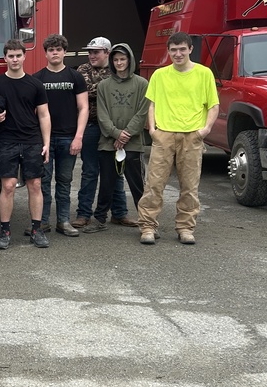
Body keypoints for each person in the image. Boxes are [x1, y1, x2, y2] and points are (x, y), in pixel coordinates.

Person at [137, 32, 219, 245]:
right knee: (154, 183)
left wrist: (205, 130)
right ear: (169, 51)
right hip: (164, 134)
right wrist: (153, 130)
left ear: (190, 49)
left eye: (182, 49)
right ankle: (147, 226)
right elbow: (151, 104)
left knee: (190, 185)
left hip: (192, 135)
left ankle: (185, 228)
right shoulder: (160, 75)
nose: (178, 53)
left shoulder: (204, 74)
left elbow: (213, 105)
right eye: (173, 50)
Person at [0, 39, 51, 249]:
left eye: (18, 55)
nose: (14, 59)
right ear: (5, 58)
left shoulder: (35, 84)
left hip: (31, 140)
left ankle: (37, 229)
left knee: (35, 185)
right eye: (10, 56)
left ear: (24, 56)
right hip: (5, 141)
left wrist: (46, 143)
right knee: (8, 186)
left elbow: (44, 115)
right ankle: (4, 231)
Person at [82, 44, 150, 233]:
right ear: (112, 61)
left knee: (137, 185)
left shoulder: (142, 84)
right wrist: (115, 134)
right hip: (108, 142)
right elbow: (102, 115)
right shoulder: (104, 86)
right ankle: (100, 219)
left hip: (133, 143)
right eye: (116, 59)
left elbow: (142, 112)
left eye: (123, 59)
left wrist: (125, 134)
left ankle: (147, 223)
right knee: (107, 183)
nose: (119, 63)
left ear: (129, 60)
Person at [73, 36, 136, 229]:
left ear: (107, 53)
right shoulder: (82, 70)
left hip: (113, 130)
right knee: (90, 171)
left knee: (116, 172)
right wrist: (108, 89)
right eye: (90, 52)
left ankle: (119, 213)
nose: (91, 55)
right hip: (92, 126)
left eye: (96, 52)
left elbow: (122, 93)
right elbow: (84, 91)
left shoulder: (115, 70)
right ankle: (84, 214)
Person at [33, 34, 88, 236]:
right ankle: (43, 221)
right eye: (51, 50)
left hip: (68, 138)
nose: (55, 53)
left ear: (64, 52)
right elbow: (33, 112)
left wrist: (78, 137)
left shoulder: (75, 77)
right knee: (43, 182)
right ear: (46, 53)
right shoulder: (37, 79)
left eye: (58, 49)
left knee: (64, 183)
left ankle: (63, 221)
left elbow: (83, 108)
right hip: (44, 141)